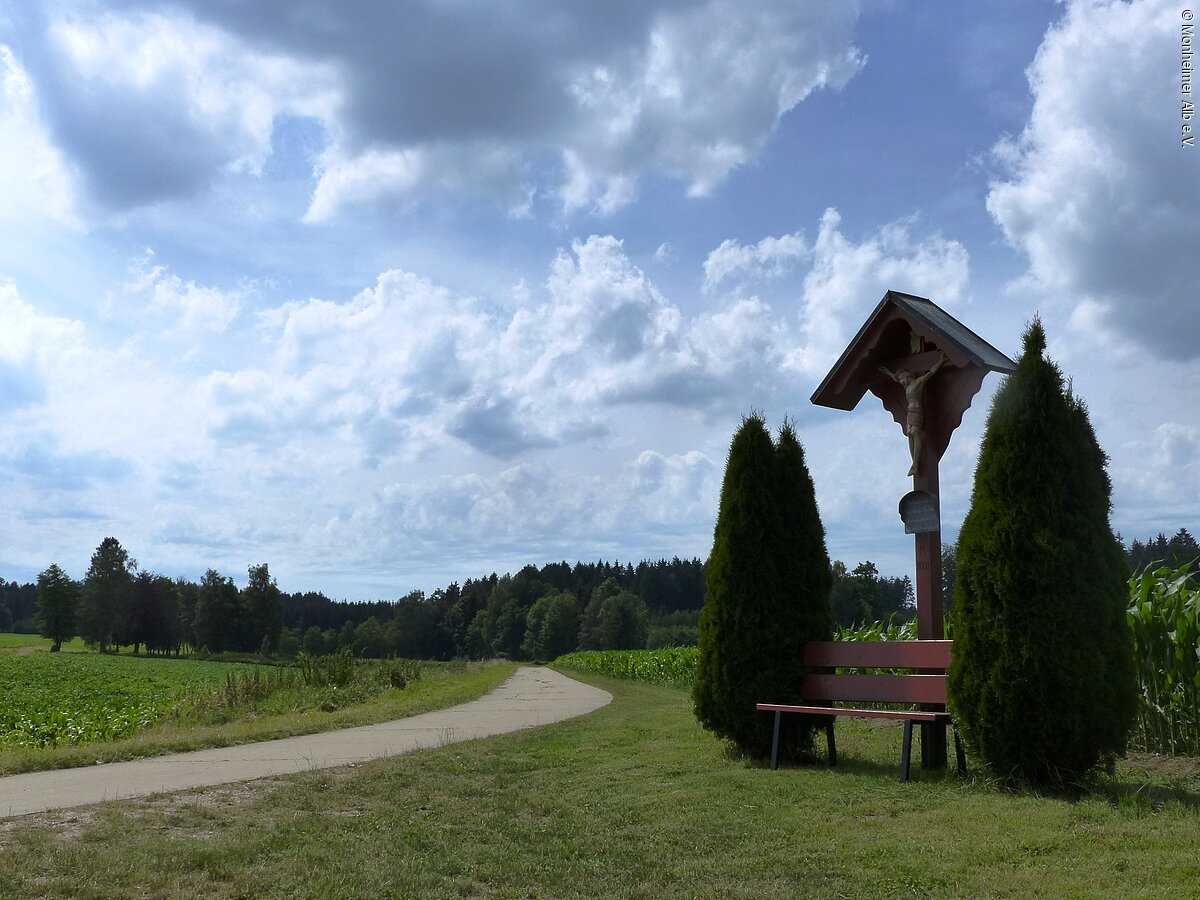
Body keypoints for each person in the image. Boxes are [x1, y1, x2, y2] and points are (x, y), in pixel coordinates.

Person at [879, 353, 950, 476]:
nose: (901, 381)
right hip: (910, 412)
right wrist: (888, 372)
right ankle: (914, 462)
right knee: (909, 434)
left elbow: (931, 372)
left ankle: (915, 462)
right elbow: (894, 378)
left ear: (907, 375)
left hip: (917, 410)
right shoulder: (906, 386)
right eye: (900, 379)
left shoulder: (918, 382)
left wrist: (941, 361)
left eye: (902, 378)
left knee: (915, 433)